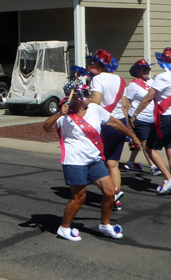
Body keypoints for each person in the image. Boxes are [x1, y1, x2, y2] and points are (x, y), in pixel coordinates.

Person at [43, 80, 138, 241]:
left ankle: (105, 225)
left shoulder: (94, 109)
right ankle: (64, 228)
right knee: (79, 197)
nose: (90, 96)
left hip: (94, 160)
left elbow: (114, 123)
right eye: (86, 94)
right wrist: (59, 114)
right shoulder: (65, 115)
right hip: (74, 161)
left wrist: (133, 136)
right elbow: (46, 127)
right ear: (76, 98)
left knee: (110, 192)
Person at [133, 47, 171, 195]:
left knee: (150, 148)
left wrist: (136, 113)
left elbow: (149, 97)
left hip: (167, 116)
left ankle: (169, 179)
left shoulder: (162, 77)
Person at [87, 49, 127, 210]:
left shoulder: (97, 79)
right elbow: (124, 104)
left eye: (93, 62)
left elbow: (96, 101)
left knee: (95, 162)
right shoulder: (121, 80)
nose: (91, 65)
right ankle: (115, 196)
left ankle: (111, 193)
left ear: (99, 64)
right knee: (113, 163)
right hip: (120, 122)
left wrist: (84, 101)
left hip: (105, 124)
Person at [122, 59, 162, 176]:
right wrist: (128, 120)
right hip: (139, 118)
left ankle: (130, 162)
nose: (147, 71)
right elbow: (126, 103)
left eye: (148, 68)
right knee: (145, 142)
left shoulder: (153, 82)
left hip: (153, 117)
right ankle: (153, 165)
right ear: (137, 71)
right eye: (144, 69)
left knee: (140, 141)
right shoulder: (133, 85)